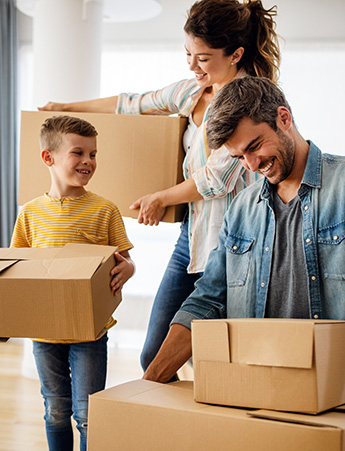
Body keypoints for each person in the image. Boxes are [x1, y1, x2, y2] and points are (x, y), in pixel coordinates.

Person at [38, 0, 281, 378]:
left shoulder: (252, 102)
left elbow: (216, 178)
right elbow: (132, 104)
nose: (191, 66)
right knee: (154, 356)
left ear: (235, 54)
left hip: (239, 243)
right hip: (194, 236)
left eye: (202, 58)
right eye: (188, 54)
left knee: (223, 360)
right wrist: (65, 106)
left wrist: (160, 198)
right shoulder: (191, 91)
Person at [142, 76, 345, 383]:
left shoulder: (341, 186)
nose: (251, 165)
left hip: (332, 384)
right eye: (239, 157)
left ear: (284, 118)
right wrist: (150, 381)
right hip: (255, 384)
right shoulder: (242, 208)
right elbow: (208, 298)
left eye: (255, 146)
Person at [10, 116, 135, 451]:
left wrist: (129, 271)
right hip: (44, 332)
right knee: (55, 410)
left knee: (87, 414)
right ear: (48, 158)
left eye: (93, 154)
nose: (88, 161)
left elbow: (124, 261)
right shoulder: (30, 213)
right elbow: (18, 268)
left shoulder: (105, 209)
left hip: (89, 332)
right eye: (78, 153)